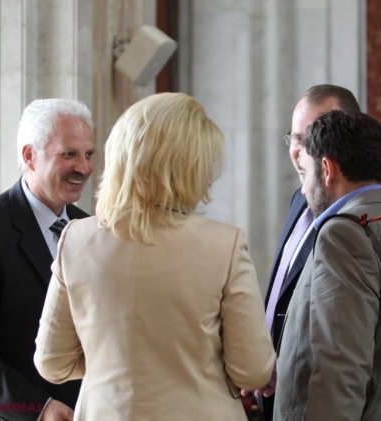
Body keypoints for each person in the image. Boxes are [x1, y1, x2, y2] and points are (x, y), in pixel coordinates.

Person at [33, 92, 275, 421]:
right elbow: (252, 370)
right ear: (192, 167)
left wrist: (115, 362)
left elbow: (52, 362)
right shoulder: (225, 244)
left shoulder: (75, 238)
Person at [247, 84, 381, 420]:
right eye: (296, 138)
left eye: (313, 138)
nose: (300, 151)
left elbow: (343, 361)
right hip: (279, 392)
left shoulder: (366, 225)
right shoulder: (299, 201)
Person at [273, 110, 381, 420]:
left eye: (305, 173)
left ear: (327, 169)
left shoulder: (342, 235)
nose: (304, 189)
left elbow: (340, 369)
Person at [0, 99, 95, 420]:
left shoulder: (92, 229)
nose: (83, 168)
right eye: (69, 154)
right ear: (29, 156)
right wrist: (38, 408)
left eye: (89, 154)